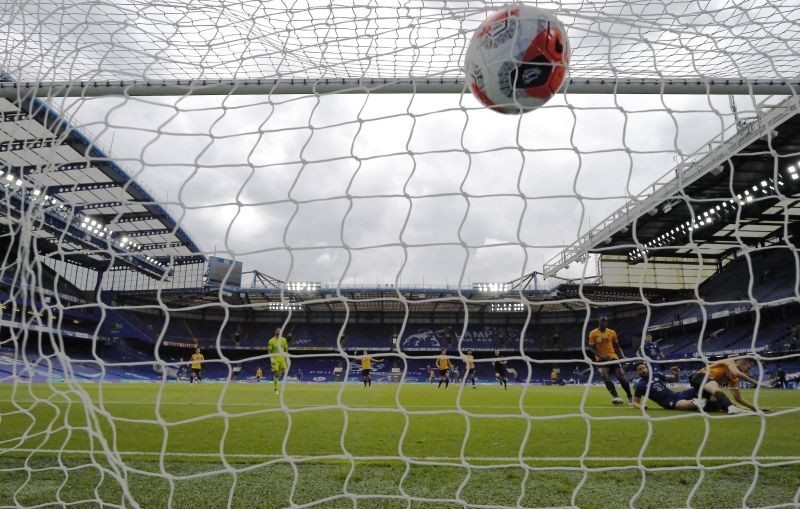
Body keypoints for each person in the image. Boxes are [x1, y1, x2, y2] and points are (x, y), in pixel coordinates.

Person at [689, 357, 772, 414]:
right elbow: (737, 373)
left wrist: (755, 408)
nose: (748, 371)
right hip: (700, 376)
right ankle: (731, 409)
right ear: (741, 362)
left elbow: (738, 398)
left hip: (703, 388)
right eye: (748, 368)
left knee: (717, 404)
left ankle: (698, 403)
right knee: (717, 390)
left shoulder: (734, 378)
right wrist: (756, 384)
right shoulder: (730, 362)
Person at [588, 317, 633, 405]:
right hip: (601, 359)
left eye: (605, 321)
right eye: (602, 321)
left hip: (613, 357)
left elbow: (616, 346)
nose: (604, 323)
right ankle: (616, 397)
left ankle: (630, 396)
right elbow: (591, 348)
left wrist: (622, 357)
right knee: (604, 374)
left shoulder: (612, 332)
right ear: (599, 322)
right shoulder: (593, 333)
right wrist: (602, 356)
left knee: (621, 376)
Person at [632, 363, 703, 411]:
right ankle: (703, 403)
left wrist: (676, 374)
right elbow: (635, 402)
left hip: (677, 394)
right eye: (640, 369)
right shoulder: (639, 385)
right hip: (669, 402)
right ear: (637, 372)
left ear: (647, 368)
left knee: (700, 388)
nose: (643, 370)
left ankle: (707, 398)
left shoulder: (655, 375)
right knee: (683, 405)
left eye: (644, 368)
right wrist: (640, 406)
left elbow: (675, 379)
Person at [267, 328, 289, 395]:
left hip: (282, 359)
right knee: (276, 374)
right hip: (275, 359)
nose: (279, 331)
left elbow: (286, 349)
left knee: (284, 372)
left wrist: (287, 358)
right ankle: (276, 389)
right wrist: (271, 359)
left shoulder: (284, 340)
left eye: (280, 330)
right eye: (278, 330)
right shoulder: (271, 341)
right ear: (275, 332)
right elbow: (269, 351)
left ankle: (279, 374)